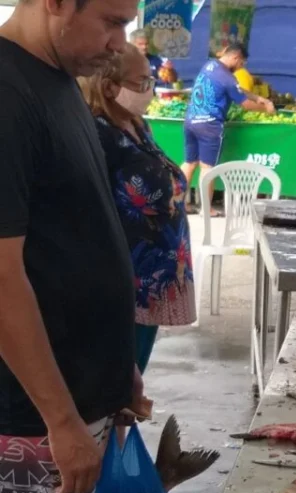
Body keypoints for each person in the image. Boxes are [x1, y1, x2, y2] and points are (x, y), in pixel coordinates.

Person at [0, 0, 145, 493]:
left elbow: (76, 233)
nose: (119, 44)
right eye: (112, 22)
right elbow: (1, 278)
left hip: (76, 398)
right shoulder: (6, 92)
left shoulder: (56, 79)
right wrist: (61, 420)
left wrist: (115, 369)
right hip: (28, 420)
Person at [78, 44, 197, 374]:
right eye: (142, 82)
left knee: (134, 373)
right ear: (109, 86)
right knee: (118, 375)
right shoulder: (98, 134)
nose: (151, 90)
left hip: (158, 278)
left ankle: (124, 422)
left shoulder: (138, 125)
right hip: (128, 282)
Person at [181, 44, 275, 216]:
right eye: (241, 63)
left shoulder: (209, 66)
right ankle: (206, 209)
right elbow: (245, 105)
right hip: (209, 125)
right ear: (236, 58)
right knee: (207, 167)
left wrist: (258, 97)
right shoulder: (226, 77)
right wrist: (266, 108)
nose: (241, 68)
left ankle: (179, 204)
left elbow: (236, 89)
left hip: (190, 121)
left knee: (189, 163)